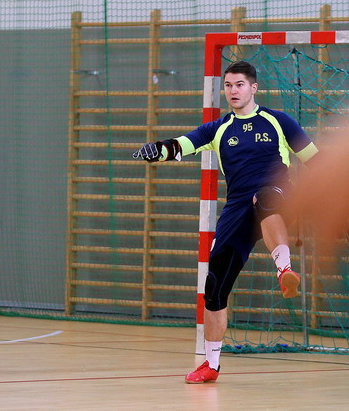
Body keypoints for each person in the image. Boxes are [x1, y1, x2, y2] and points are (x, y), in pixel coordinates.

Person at [133, 61, 318, 384]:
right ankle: (211, 364)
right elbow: (183, 144)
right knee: (214, 285)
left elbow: (315, 159)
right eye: (228, 85)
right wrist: (158, 150)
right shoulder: (218, 129)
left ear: (253, 88)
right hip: (237, 207)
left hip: (277, 194)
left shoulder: (278, 121)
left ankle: (284, 269)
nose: (233, 91)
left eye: (239, 85)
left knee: (265, 199)